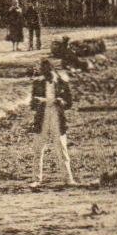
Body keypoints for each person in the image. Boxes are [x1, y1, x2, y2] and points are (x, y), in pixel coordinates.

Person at [30, 58, 76, 186]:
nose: (46, 75)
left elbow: (69, 103)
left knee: (61, 147)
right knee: (38, 148)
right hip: (42, 116)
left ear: (52, 70)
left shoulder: (62, 83)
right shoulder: (38, 83)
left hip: (57, 115)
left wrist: (62, 101)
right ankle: (36, 179)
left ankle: (68, 179)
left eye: (47, 72)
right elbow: (32, 105)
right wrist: (38, 102)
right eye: (43, 72)